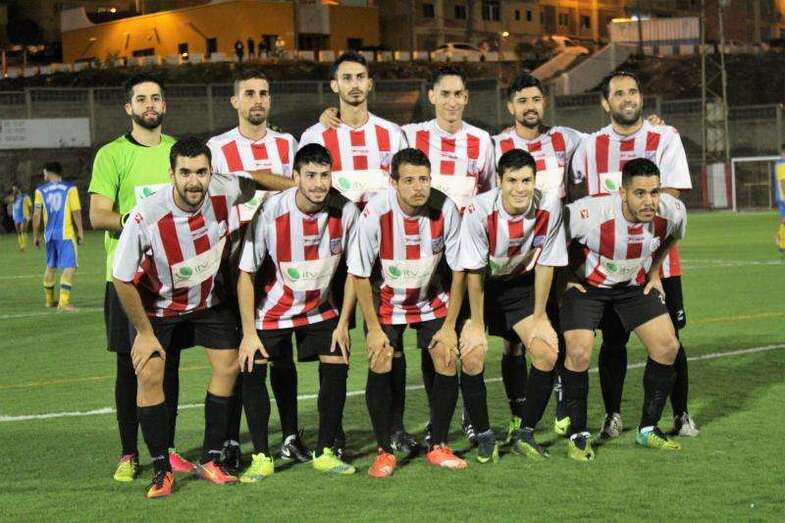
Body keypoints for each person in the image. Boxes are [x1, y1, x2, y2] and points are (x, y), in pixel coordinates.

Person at [112, 137, 274, 498]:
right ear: (171, 174)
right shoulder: (146, 215)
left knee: (230, 365)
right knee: (150, 372)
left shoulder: (223, 188)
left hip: (206, 302)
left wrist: (296, 184)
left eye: (201, 171)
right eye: (185, 172)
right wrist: (144, 332)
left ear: (210, 171)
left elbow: (254, 181)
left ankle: (211, 459)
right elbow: (121, 277)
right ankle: (161, 469)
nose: (194, 181)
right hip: (158, 306)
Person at [570, 71, 698, 439]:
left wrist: (653, 268)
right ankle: (613, 414)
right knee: (613, 340)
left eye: (633, 91)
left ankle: (681, 413)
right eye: (619, 93)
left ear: (641, 98)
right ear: (605, 103)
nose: (628, 98)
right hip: (609, 267)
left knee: (670, 338)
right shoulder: (588, 145)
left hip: (657, 266)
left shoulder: (664, 137)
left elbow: (671, 201)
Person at [303, 51, 410, 457]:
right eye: (345, 77)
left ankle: (394, 428)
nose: (353, 84)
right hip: (333, 260)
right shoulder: (316, 136)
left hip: (383, 259)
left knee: (388, 345)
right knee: (337, 348)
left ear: (369, 84)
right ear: (334, 86)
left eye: (360, 76)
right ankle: (335, 432)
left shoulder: (392, 135)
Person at [88, 73, 191, 481]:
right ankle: (129, 454)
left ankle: (167, 448)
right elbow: (98, 214)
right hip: (127, 280)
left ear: (164, 106)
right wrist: (134, 221)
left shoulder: (176, 152)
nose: (150, 104)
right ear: (128, 108)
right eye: (141, 99)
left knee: (171, 365)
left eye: (156, 98)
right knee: (127, 368)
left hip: (170, 280)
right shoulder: (111, 155)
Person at [237, 143, 359, 477]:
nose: (319, 184)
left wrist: (344, 322)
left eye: (325, 175)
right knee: (252, 365)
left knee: (338, 357)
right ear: (295, 177)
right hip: (273, 309)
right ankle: (262, 457)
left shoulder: (346, 211)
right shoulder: (271, 210)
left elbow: (356, 272)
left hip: (320, 308)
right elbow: (246, 273)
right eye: (311, 176)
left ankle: (325, 450)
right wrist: (248, 333)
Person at [349, 148, 466, 476]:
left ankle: (439, 446)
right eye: (410, 180)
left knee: (446, 357)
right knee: (381, 358)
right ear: (394, 182)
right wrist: (372, 329)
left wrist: (451, 326)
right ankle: (384, 450)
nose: (419, 187)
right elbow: (359, 273)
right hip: (387, 302)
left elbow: (460, 270)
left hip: (432, 298)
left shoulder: (446, 209)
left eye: (424, 179)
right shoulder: (375, 213)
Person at [561, 158, 686, 461]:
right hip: (588, 288)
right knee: (578, 352)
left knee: (668, 346)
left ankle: (648, 429)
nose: (650, 201)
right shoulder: (589, 213)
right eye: (640, 193)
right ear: (623, 194)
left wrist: (654, 272)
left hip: (632, 287)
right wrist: (564, 278)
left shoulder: (672, 212)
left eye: (654, 192)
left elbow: (670, 239)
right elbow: (551, 236)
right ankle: (578, 435)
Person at [207, 68, 300, 469]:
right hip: (232, 260)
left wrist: (248, 181)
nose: (257, 100)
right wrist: (271, 182)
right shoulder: (218, 146)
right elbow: (220, 191)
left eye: (264, 93)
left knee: (282, 355)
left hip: (279, 260)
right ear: (235, 102)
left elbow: (300, 185)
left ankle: (291, 435)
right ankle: (230, 439)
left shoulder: (287, 142)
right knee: (239, 352)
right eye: (249, 94)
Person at [458, 149, 567, 462]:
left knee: (547, 351)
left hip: (519, 287)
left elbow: (547, 262)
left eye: (527, 180)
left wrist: (541, 316)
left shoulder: (549, 204)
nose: (521, 188)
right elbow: (474, 271)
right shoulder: (479, 209)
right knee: (474, 353)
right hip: (481, 288)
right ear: (499, 181)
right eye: (513, 180)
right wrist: (477, 323)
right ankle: (484, 436)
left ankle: (526, 434)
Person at [32, 162, 84, 311]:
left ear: (49, 173)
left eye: (44, 173)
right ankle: (63, 302)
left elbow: (36, 215)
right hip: (65, 234)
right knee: (70, 266)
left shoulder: (40, 190)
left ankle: (49, 301)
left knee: (51, 266)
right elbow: (76, 211)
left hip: (49, 235)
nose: (43, 175)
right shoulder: (70, 189)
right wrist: (80, 231)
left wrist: (36, 235)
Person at [11, 184, 33, 252]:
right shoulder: (14, 198)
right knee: (18, 232)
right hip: (16, 216)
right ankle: (21, 245)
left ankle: (24, 246)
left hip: (24, 216)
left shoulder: (25, 197)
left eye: (15, 189)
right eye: (13, 189)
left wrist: (31, 215)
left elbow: (30, 206)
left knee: (23, 230)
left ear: (18, 189)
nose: (14, 191)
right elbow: (13, 206)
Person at [773, 144, 785, 253]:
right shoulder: (781, 164)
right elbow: (783, 182)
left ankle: (780, 241)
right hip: (783, 197)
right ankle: (780, 241)